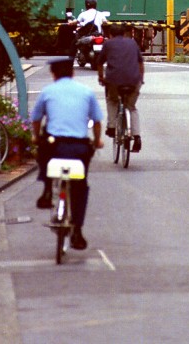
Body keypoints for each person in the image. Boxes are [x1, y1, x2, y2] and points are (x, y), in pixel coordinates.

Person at [31, 56, 104, 250]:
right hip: (80, 147)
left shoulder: (47, 92)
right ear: (72, 73)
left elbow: (36, 119)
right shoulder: (86, 92)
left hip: (55, 146)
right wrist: (97, 142)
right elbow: (96, 122)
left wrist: (36, 137)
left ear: (53, 74)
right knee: (80, 187)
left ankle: (47, 190)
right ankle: (77, 230)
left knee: (44, 149)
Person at [97, 24, 144, 152]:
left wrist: (101, 78)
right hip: (134, 81)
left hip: (114, 81)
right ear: (124, 34)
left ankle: (111, 126)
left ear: (110, 35)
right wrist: (141, 79)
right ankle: (137, 136)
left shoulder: (108, 44)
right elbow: (140, 63)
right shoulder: (133, 43)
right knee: (131, 107)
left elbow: (100, 63)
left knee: (112, 100)